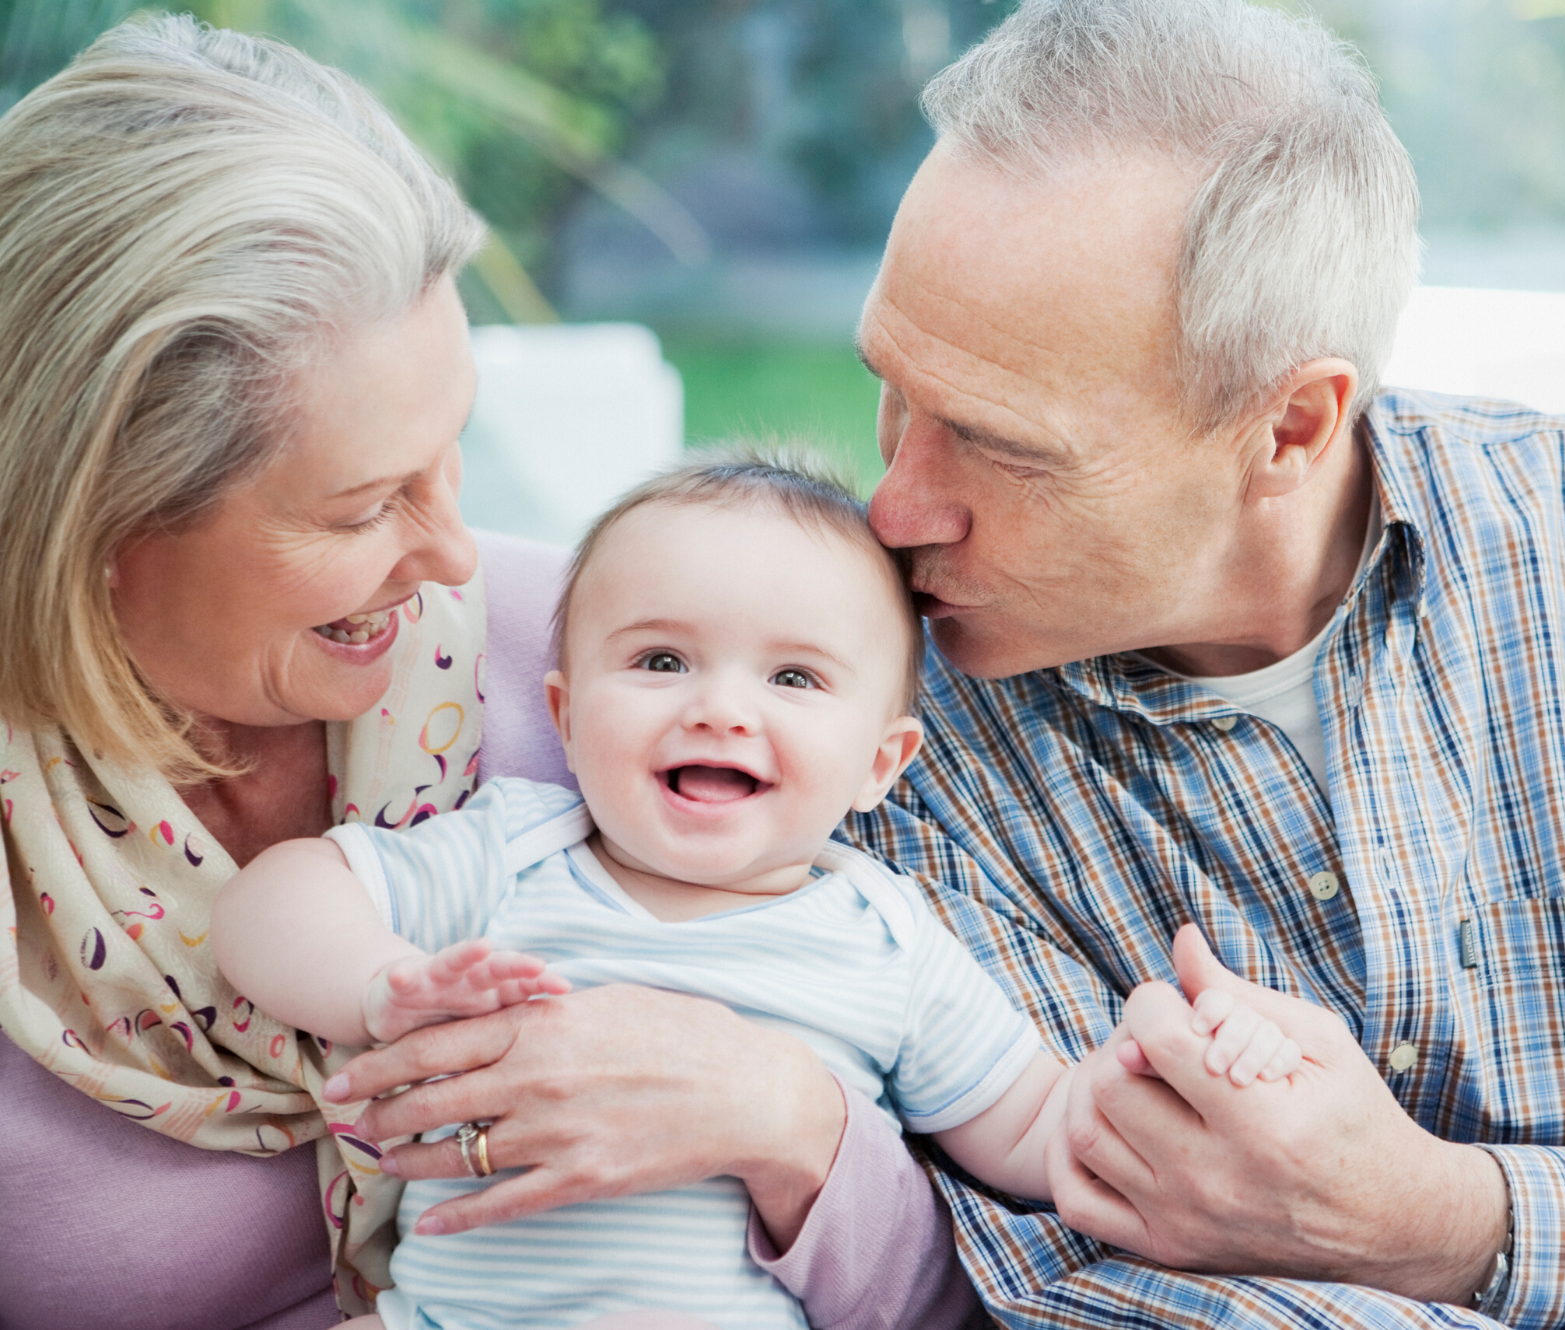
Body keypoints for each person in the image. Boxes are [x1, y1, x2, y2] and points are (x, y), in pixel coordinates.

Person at [834, 0, 1565, 1325]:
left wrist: (1443, 1220)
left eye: (1000, 445)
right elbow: (1079, 1292)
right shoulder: (868, 727)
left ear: (1290, 425)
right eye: (893, 389)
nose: (895, 508)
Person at [0, 19, 976, 1329]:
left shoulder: (617, 674)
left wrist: (785, 1120)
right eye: (358, 509)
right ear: (93, 525)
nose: (452, 550)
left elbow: (963, 1295)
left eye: (453, 450)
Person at [211, 457, 1303, 1330]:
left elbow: (1039, 1128)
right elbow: (274, 898)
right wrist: (381, 982)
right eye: (659, 662)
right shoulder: (512, 856)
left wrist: (1177, 1063)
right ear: (563, 712)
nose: (721, 710)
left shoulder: (887, 940)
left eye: (793, 679)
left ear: (882, 762)